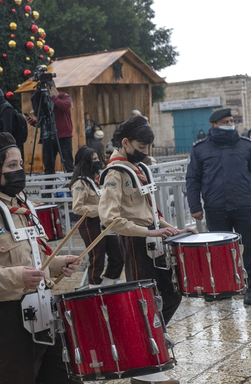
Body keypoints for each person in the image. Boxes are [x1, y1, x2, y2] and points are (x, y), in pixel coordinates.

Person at [0, 132, 81, 384]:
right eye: (11, 166)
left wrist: (58, 264)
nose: (19, 171)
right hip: (2, 318)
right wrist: (16, 276)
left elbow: (32, 260)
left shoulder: (23, 208)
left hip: (42, 308)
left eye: (20, 164)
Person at [100, 116, 193, 384]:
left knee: (171, 295)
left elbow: (151, 211)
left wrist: (174, 229)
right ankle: (146, 367)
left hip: (152, 236)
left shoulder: (137, 167)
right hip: (135, 240)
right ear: (126, 142)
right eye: (142, 146)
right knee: (146, 302)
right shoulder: (115, 172)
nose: (146, 152)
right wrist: (150, 232)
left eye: (149, 147)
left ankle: (151, 347)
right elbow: (110, 219)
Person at [187, 109, 251, 306]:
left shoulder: (246, 146)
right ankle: (223, 288)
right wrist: (194, 206)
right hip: (216, 207)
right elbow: (193, 179)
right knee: (218, 250)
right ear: (214, 125)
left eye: (232, 120)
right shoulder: (200, 149)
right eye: (226, 121)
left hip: (246, 205)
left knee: (250, 248)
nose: (230, 123)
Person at [70, 146, 123, 287]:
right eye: (94, 159)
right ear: (86, 162)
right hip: (90, 223)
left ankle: (107, 285)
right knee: (97, 258)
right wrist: (100, 209)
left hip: (104, 222)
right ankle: (94, 288)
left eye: (97, 158)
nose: (98, 161)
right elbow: (77, 207)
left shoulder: (96, 180)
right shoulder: (80, 183)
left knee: (117, 256)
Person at [38, 82, 74, 173]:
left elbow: (65, 107)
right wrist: (35, 122)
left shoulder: (64, 96)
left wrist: (54, 97)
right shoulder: (43, 100)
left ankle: (72, 183)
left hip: (63, 136)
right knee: (48, 165)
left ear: (53, 88)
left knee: (68, 163)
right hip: (48, 137)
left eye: (48, 89)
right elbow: (44, 118)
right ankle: (49, 186)